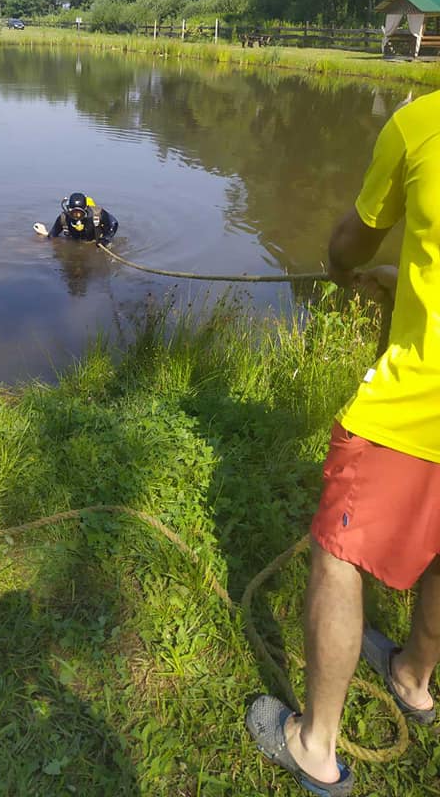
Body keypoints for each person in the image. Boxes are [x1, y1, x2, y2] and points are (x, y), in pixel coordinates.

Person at [246, 88, 440, 796]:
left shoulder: (421, 125)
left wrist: (342, 270)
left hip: (421, 403)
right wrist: (408, 288)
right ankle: (414, 680)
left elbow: (351, 242)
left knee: (338, 555)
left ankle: (315, 745)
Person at [33, 192, 118, 246]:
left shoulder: (97, 214)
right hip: (75, 241)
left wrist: (106, 238)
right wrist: (45, 236)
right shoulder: (63, 218)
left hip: (95, 241)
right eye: (74, 213)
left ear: (86, 209)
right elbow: (53, 236)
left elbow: (114, 223)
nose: (77, 217)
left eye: (80, 213)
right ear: (69, 210)